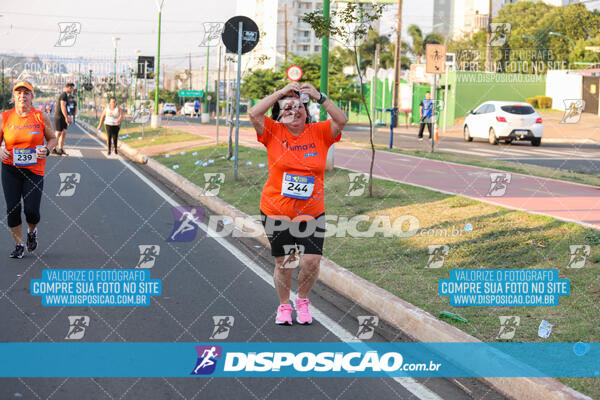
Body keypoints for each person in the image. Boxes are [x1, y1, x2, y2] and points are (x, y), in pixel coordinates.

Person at [249, 82, 347, 326]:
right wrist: (281, 93)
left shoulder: (320, 132)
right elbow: (254, 112)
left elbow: (341, 120)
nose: (294, 110)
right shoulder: (272, 132)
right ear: (281, 113)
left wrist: (320, 96)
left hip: (312, 212)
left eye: (299, 106)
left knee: (311, 261)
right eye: (288, 107)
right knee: (286, 262)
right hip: (276, 210)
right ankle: (284, 305)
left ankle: (302, 300)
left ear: (307, 111)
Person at [0, 81, 57, 258]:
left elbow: (53, 139)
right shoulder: (5, 117)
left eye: (26, 93)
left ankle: (32, 232)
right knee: (12, 209)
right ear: (13, 97)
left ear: (32, 97)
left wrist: (47, 149)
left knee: (31, 211)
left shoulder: (40, 117)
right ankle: (19, 244)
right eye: (18, 93)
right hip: (10, 169)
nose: (22, 96)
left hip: (34, 171)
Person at [53, 82, 75, 155]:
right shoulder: (63, 95)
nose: (73, 90)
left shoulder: (66, 96)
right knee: (58, 133)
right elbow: (63, 107)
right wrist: (66, 117)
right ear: (68, 87)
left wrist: (68, 116)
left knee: (64, 132)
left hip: (64, 117)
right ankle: (53, 148)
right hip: (59, 116)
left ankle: (60, 149)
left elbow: (66, 107)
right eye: (72, 88)